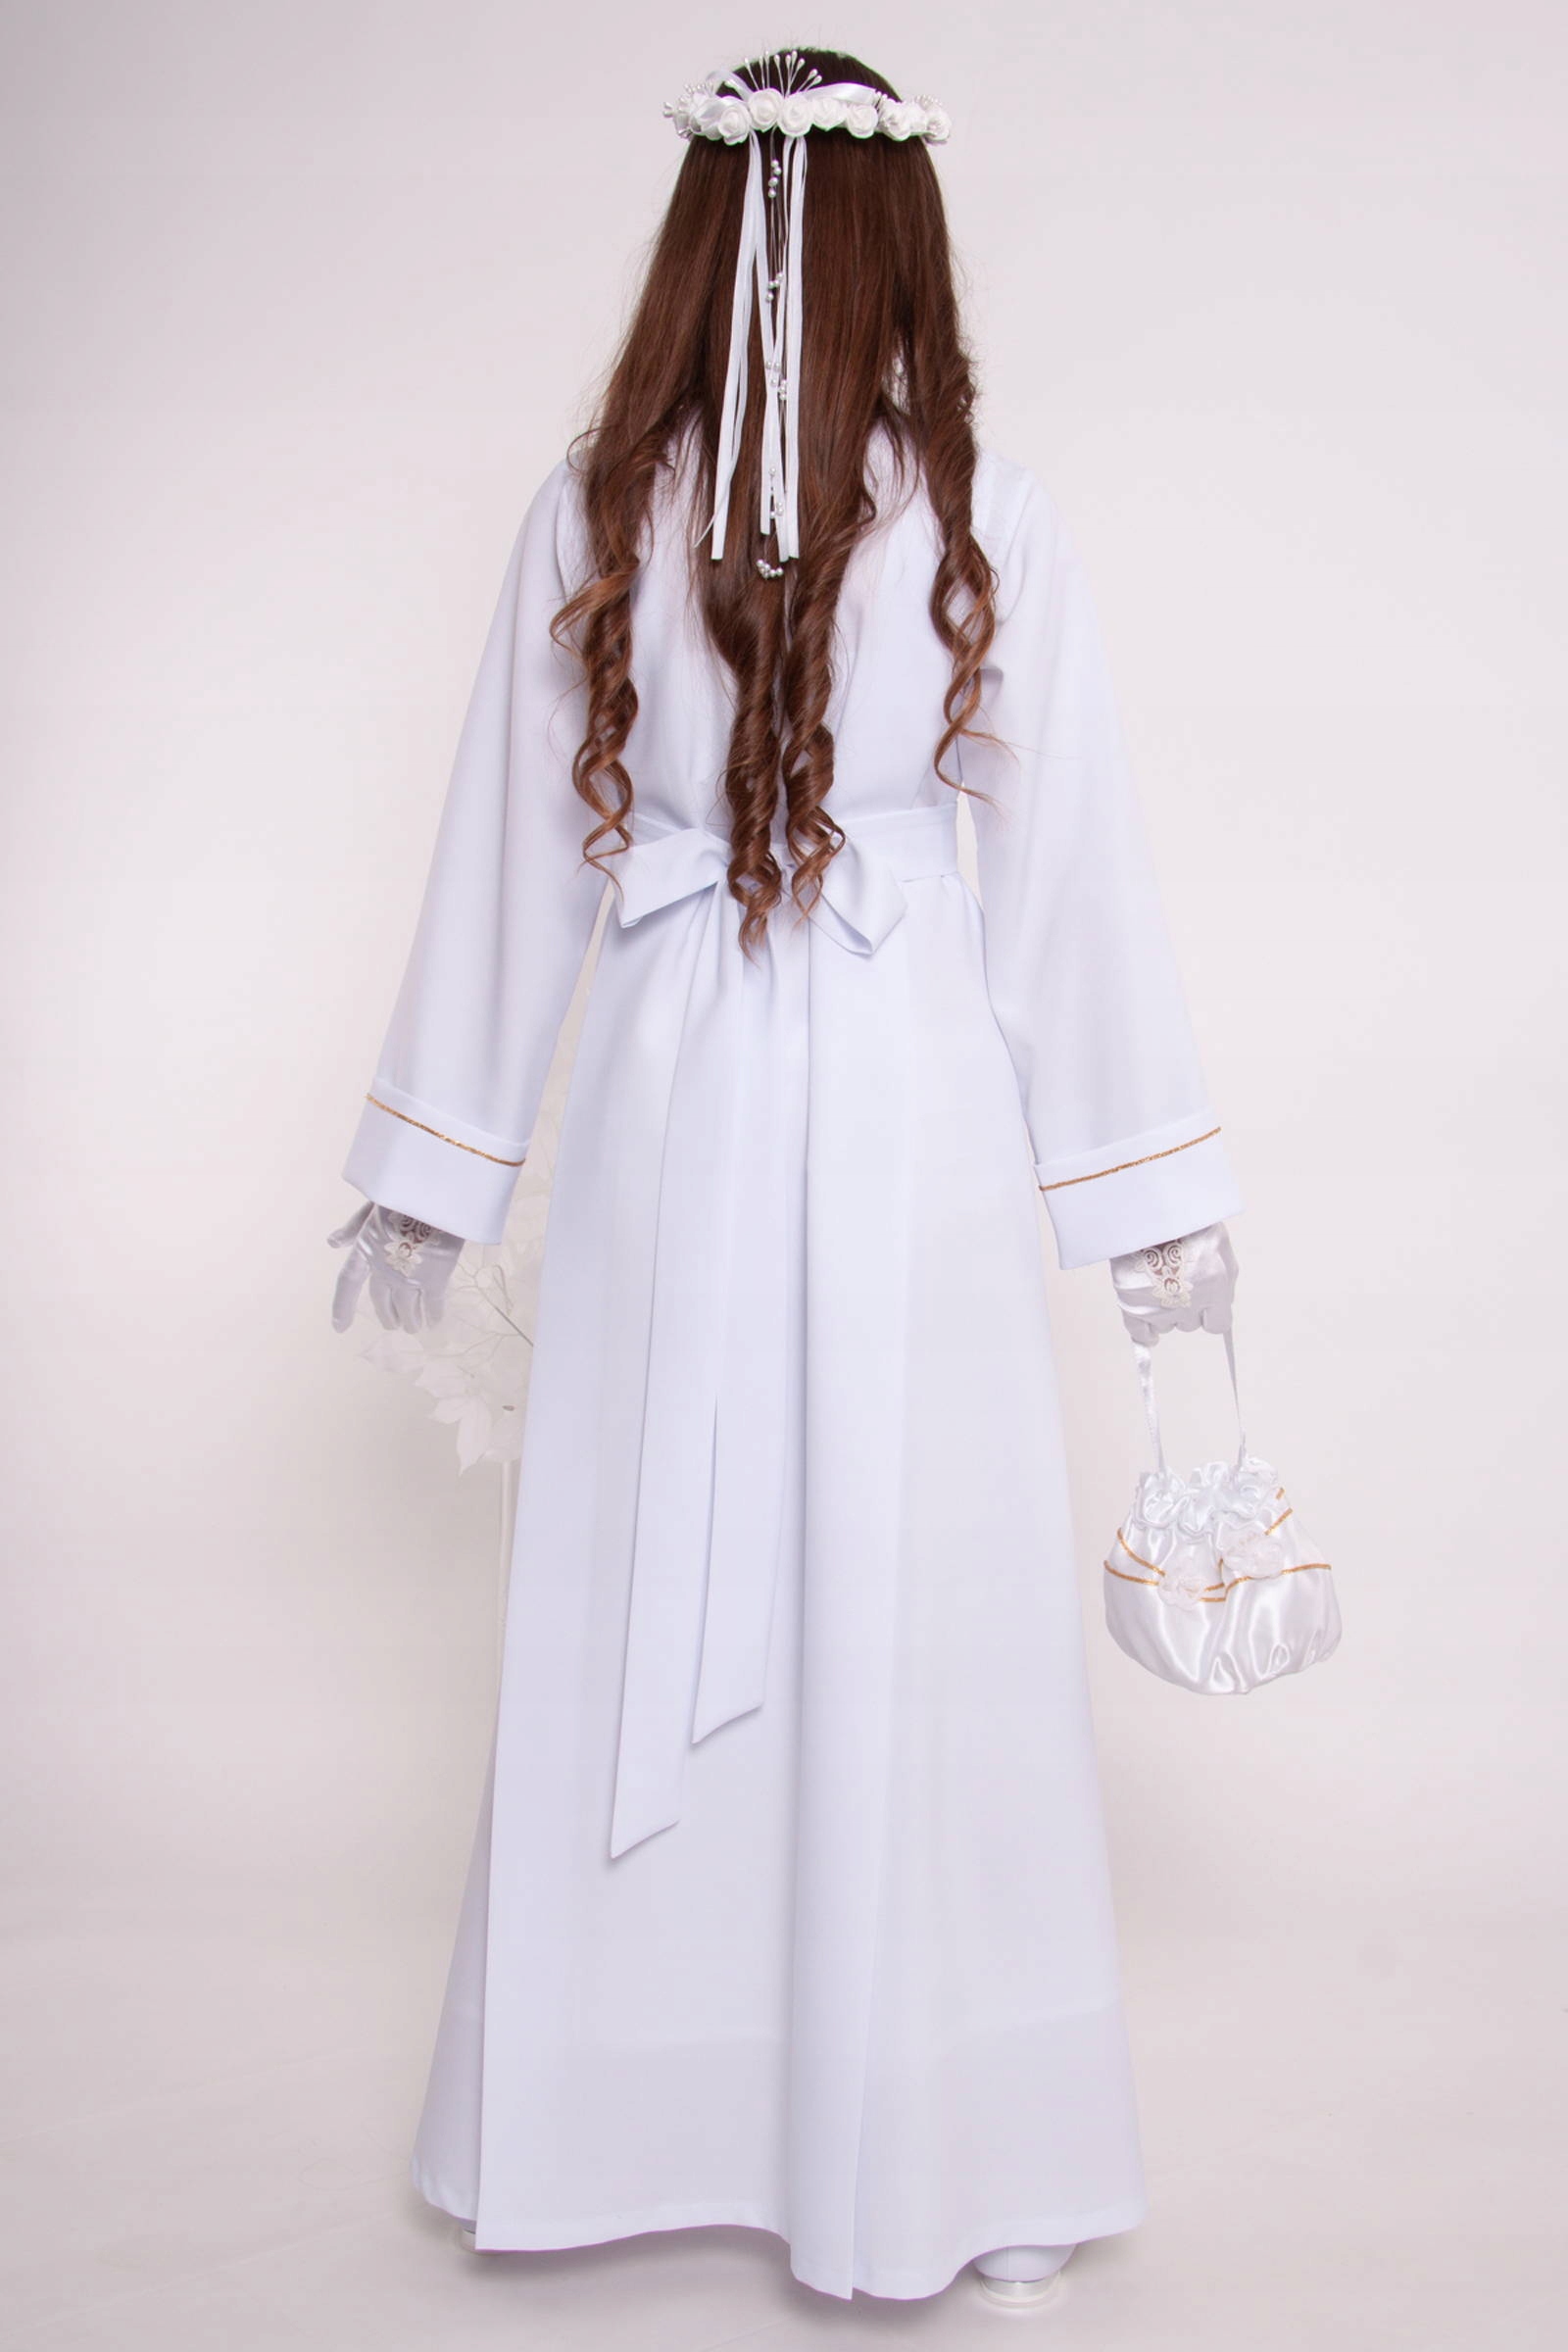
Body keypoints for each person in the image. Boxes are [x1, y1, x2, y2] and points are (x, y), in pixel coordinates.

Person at [329, 46, 1241, 2311]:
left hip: (680, 1101)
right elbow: (1068, 888)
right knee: (910, 1592)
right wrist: (1145, 1207)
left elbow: (509, 858)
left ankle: (668, 2123)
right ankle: (952, 2155)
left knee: (697, 1560)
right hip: (905, 1100)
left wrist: (440, 1164)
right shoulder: (978, 515)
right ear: (901, 241)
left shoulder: (597, 514)